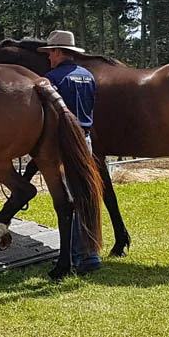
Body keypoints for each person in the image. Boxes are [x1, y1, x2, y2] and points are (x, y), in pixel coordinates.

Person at [38, 29, 102, 274]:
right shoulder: (88, 76)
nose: (49, 58)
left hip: (64, 143)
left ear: (57, 52)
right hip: (85, 139)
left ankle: (78, 256)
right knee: (86, 195)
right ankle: (90, 252)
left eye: (50, 53)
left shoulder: (52, 79)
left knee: (70, 199)